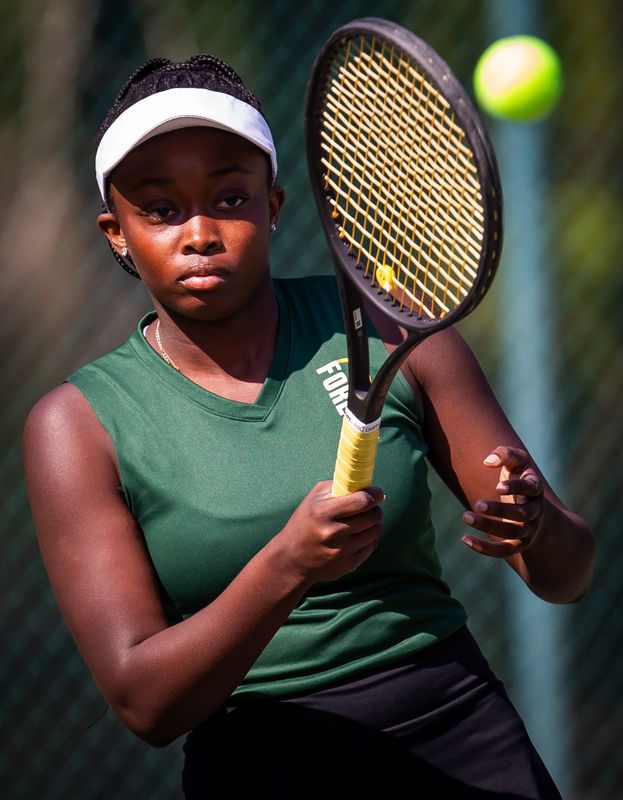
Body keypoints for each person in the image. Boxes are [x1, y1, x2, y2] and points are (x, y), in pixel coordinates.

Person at [23, 54, 595, 798]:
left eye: (230, 196)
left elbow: (567, 576)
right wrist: (286, 566)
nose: (199, 231)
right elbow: (144, 701)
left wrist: (537, 527)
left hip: (462, 740)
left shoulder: (395, 330)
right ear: (116, 232)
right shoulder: (77, 424)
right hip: (260, 765)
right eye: (160, 209)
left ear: (275, 205)